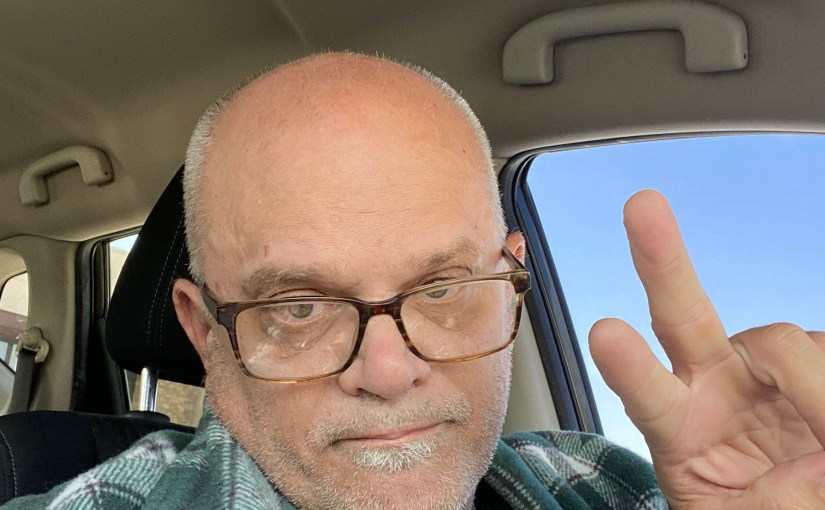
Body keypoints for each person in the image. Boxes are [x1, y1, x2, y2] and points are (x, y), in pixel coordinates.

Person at [5, 52, 824, 509]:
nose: (388, 373)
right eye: (300, 306)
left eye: (440, 289)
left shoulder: (595, 483)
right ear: (201, 329)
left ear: (510, 276)